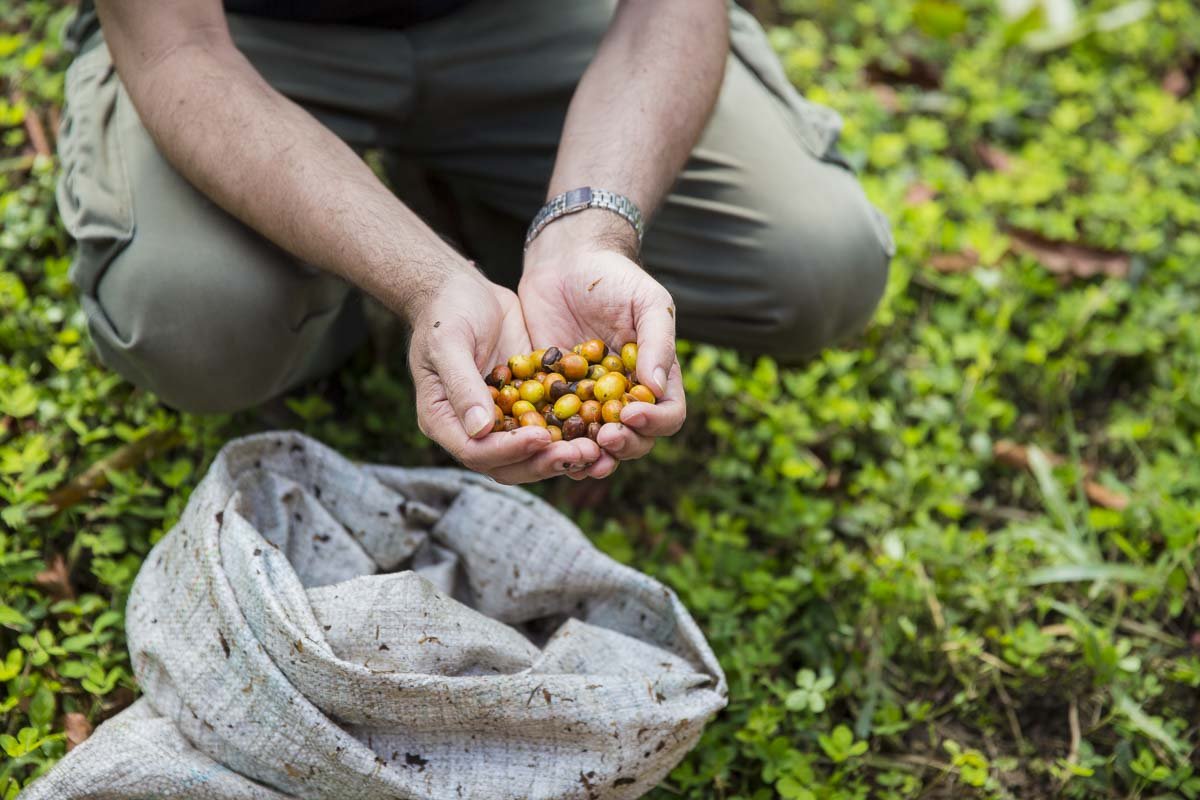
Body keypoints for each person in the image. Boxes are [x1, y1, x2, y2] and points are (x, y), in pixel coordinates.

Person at [56, 0, 894, 485]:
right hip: (245, 37)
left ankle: (505, 222)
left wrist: (590, 228)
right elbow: (179, 54)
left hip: (540, 17)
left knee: (815, 263)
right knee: (197, 320)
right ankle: (345, 295)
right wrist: (419, 282)